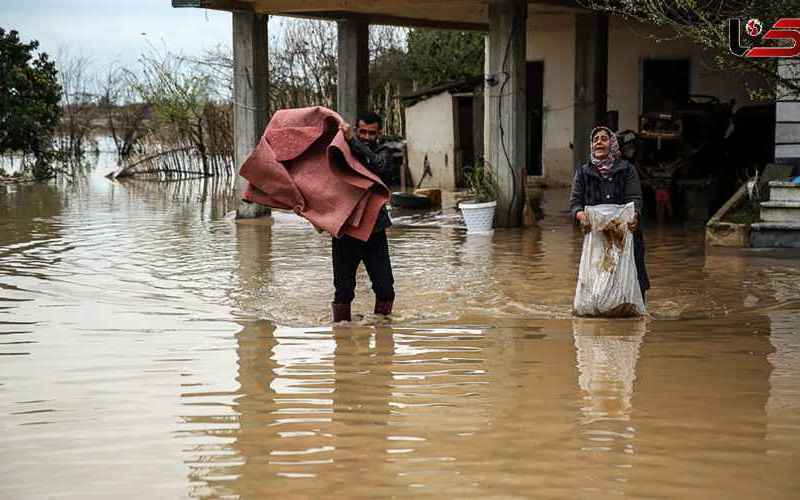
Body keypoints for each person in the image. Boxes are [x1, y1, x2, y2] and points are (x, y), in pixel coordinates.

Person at [569, 126, 651, 302]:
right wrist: (580, 215)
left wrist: (634, 216)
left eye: (603, 139)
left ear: (612, 144)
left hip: (625, 233)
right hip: (597, 235)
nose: (598, 142)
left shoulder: (627, 170)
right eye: (595, 139)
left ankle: (633, 312)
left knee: (632, 277)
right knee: (598, 276)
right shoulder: (583, 173)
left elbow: (635, 199)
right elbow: (575, 203)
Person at [331, 111, 395, 322]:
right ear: (356, 130)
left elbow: (378, 165)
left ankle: (384, 333)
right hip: (345, 230)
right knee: (343, 291)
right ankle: (341, 337)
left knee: (385, 288)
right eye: (362, 132)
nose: (367, 137)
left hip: (374, 230)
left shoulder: (384, 152)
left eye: (372, 133)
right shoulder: (341, 151)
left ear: (379, 133)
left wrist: (353, 141)